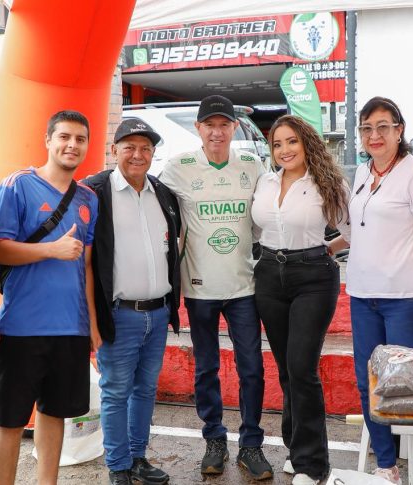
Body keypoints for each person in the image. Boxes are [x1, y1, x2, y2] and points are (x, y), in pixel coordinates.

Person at [158, 95, 273, 480]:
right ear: (199, 128)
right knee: (207, 368)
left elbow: (271, 210)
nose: (217, 132)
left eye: (224, 124)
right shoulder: (180, 167)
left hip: (244, 287)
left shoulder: (252, 165)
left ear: (234, 127)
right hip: (199, 288)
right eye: (210, 125)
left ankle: (251, 443)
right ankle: (214, 439)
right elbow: (146, 197)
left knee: (251, 367)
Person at [330, 96, 413, 484]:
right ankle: (387, 465)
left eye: (382, 127)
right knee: (370, 383)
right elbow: (358, 229)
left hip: (404, 299)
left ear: (399, 130)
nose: (374, 135)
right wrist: (327, 248)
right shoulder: (363, 172)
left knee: (410, 386)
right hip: (363, 296)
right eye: (366, 128)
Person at [0, 110, 100, 485]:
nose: (72, 145)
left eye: (80, 139)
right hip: (21, 327)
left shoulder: (88, 198)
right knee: (9, 421)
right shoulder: (17, 185)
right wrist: (51, 250)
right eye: (64, 137)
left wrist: (91, 326)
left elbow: (85, 266)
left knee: (55, 414)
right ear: (48, 140)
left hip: (71, 328)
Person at [251, 115, 350, 485]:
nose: (284, 150)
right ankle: (296, 447)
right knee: (286, 369)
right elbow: (255, 228)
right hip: (268, 275)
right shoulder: (265, 181)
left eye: (292, 141)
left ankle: (312, 464)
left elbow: (354, 228)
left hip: (313, 277)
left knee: (301, 367)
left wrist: (327, 250)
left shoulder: (328, 183)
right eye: (277, 144)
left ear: (307, 143)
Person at [83, 119, 181, 485]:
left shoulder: (163, 193)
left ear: (153, 154)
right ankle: (118, 466)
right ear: (114, 151)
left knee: (146, 390)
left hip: (158, 311)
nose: (138, 155)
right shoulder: (95, 191)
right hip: (119, 315)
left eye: (145, 148)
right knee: (116, 392)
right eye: (129, 147)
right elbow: (84, 262)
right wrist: (91, 320)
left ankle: (138, 457)